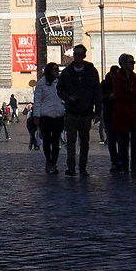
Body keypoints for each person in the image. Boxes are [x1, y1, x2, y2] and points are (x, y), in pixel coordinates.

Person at [59, 47, 100, 175]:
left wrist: (98, 112)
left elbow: (97, 92)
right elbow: (60, 89)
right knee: (70, 141)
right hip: (71, 111)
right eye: (75, 54)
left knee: (84, 141)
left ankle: (82, 167)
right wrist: (67, 97)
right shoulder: (67, 72)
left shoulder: (92, 72)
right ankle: (71, 167)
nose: (76, 57)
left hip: (86, 112)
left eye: (79, 54)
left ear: (84, 56)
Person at [103, 53, 136, 174]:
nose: (133, 65)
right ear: (123, 64)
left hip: (135, 113)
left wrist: (130, 91)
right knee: (123, 142)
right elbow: (119, 95)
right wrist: (132, 92)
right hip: (122, 113)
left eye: (133, 62)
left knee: (135, 142)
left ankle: (134, 166)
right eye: (130, 62)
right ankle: (124, 165)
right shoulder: (116, 79)